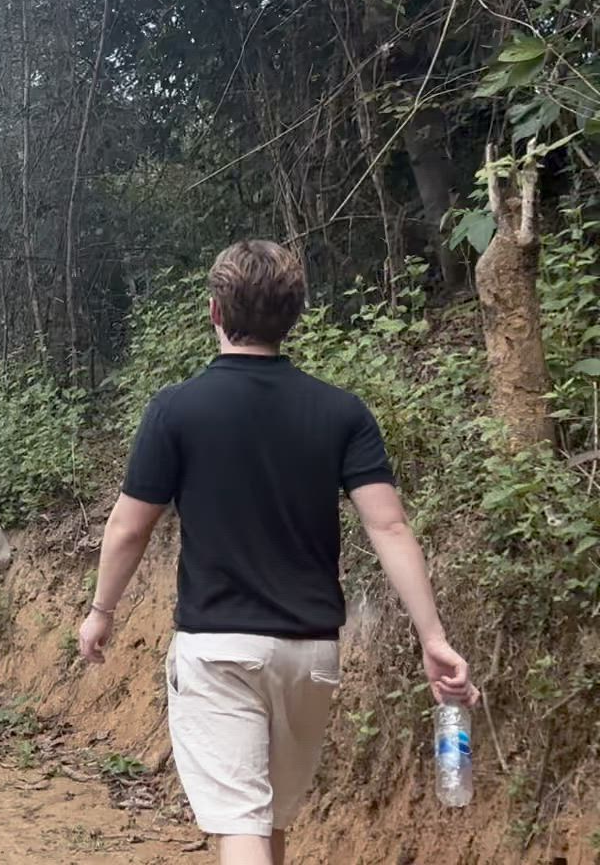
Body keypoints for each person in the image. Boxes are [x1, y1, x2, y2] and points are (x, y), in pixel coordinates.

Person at [76, 240, 478, 865]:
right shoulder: (342, 411)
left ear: (214, 311)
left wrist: (101, 611)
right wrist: (433, 637)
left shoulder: (175, 409)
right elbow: (390, 526)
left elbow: (130, 528)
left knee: (242, 822)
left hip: (219, 648)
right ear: (294, 314)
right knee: (268, 818)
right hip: (309, 654)